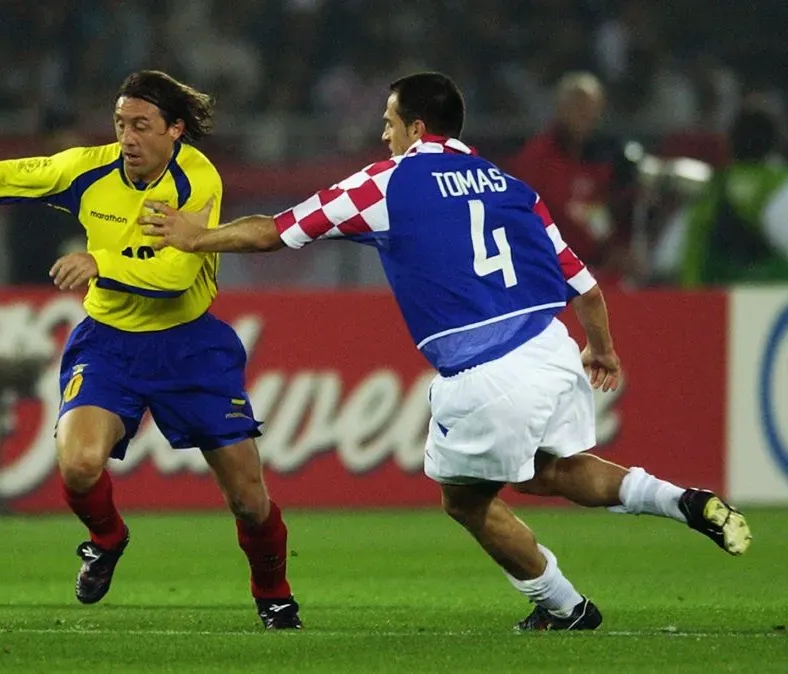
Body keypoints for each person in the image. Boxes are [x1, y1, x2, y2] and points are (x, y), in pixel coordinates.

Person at [140, 71, 752, 630]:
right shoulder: (515, 188)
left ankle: (565, 607)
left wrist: (198, 237)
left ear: (415, 128)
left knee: (464, 500)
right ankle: (681, 500)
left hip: (486, 370)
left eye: (388, 122)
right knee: (555, 471)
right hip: (551, 345)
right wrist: (604, 351)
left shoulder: (388, 182)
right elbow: (585, 285)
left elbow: (278, 230)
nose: (382, 135)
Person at [0, 70, 302, 630]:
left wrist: (102, 263)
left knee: (249, 500)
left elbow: (176, 273)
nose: (127, 138)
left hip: (189, 346)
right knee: (78, 465)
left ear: (175, 130)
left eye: (142, 126)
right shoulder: (88, 168)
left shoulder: (196, 179)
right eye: (121, 124)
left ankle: (272, 594)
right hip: (109, 345)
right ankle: (107, 539)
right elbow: (9, 177)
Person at [507, 72, 628, 279]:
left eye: (592, 108)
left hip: (596, 270)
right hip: (548, 271)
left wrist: (614, 248)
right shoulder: (535, 159)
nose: (585, 115)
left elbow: (601, 212)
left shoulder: (603, 160)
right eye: (578, 106)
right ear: (560, 108)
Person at [654, 104, 788, 286]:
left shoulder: (711, 187)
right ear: (775, 143)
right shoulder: (778, 185)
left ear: (730, 143)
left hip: (705, 302)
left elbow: (665, 260)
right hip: (767, 302)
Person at [5, 107, 88, 285]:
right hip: (39, 287)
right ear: (48, 141)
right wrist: (62, 251)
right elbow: (21, 245)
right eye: (63, 135)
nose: (71, 141)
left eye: (73, 134)